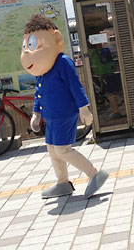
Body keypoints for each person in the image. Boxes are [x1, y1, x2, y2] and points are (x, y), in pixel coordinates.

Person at [20, 14, 109, 199]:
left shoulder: (62, 62)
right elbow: (39, 92)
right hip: (51, 117)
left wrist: (84, 108)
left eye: (34, 43)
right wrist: (36, 113)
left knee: (62, 149)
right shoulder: (41, 69)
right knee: (52, 149)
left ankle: (94, 174)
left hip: (64, 114)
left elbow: (76, 86)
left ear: (56, 39)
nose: (28, 51)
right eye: (26, 45)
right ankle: (63, 183)